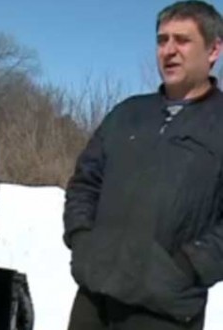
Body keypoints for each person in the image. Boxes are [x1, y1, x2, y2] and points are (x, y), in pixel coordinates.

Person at [63, 1, 223, 329]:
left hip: (164, 307)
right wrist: (82, 239)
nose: (169, 50)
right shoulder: (127, 114)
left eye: (182, 40)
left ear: (214, 49)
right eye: (162, 40)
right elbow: (85, 183)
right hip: (95, 296)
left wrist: (187, 268)